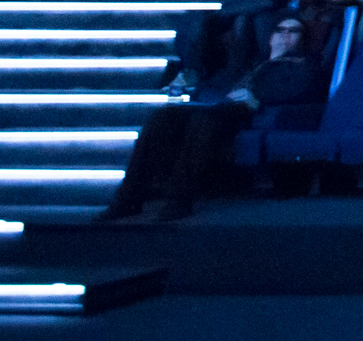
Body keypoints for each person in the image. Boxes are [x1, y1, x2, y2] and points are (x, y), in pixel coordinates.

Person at [98, 15, 325, 221]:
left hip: (252, 111)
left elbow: (303, 91)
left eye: (293, 31)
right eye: (279, 29)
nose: (284, 35)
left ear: (302, 39)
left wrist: (257, 97)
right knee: (164, 115)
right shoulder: (254, 62)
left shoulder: (303, 65)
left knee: (205, 120)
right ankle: (128, 198)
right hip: (221, 104)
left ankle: (180, 199)